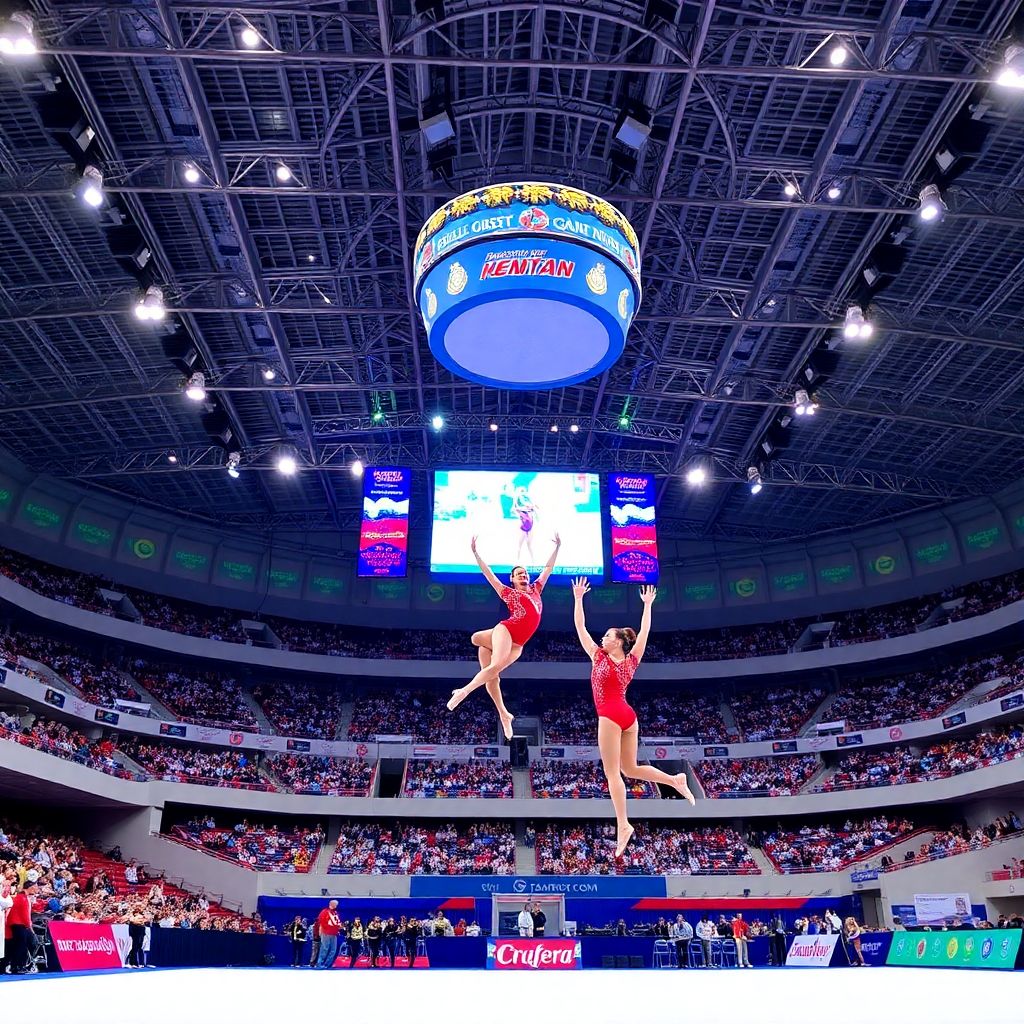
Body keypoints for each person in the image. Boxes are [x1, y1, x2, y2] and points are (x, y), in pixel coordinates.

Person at [572, 579, 695, 857]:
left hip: (610, 715)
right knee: (630, 769)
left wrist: (647, 606)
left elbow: (583, 628)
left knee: (612, 772)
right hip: (628, 716)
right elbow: (585, 627)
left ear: (618, 642)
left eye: (606, 636)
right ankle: (675, 780)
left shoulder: (600, 658)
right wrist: (647, 606)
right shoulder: (628, 660)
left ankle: (623, 824)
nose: (601, 638)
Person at [447, 534, 562, 739]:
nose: (523, 575)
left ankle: (503, 713)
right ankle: (464, 691)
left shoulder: (536, 589)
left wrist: (557, 548)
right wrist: (475, 553)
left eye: (525, 573)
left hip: (518, 644)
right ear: (512, 579)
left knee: (491, 670)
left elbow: (548, 569)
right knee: (495, 664)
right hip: (506, 630)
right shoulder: (509, 593)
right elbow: (489, 575)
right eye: (518, 574)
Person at [6, 881, 36, 974]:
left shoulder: (20, 897)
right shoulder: (23, 898)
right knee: (21, 946)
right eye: (35, 887)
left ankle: (15, 966)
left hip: (15, 924)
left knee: (18, 945)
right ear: (30, 887)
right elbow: (25, 914)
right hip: (19, 924)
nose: (36, 889)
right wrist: (30, 928)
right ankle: (19, 966)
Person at [512, 485, 539, 564]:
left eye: (524, 492)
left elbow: (536, 508)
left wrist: (531, 506)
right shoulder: (519, 509)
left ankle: (533, 561)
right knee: (519, 545)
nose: (523, 494)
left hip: (530, 527)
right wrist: (524, 508)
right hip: (522, 528)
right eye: (521, 492)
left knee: (529, 545)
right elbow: (514, 508)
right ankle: (517, 561)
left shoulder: (531, 508)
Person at [314, 899, 341, 969]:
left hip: (334, 933)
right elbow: (321, 921)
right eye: (335, 904)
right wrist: (324, 929)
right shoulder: (325, 911)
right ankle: (319, 963)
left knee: (333, 950)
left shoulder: (335, 913)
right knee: (324, 948)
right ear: (332, 904)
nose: (336, 906)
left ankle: (327, 964)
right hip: (326, 932)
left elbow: (337, 922)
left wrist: (338, 928)